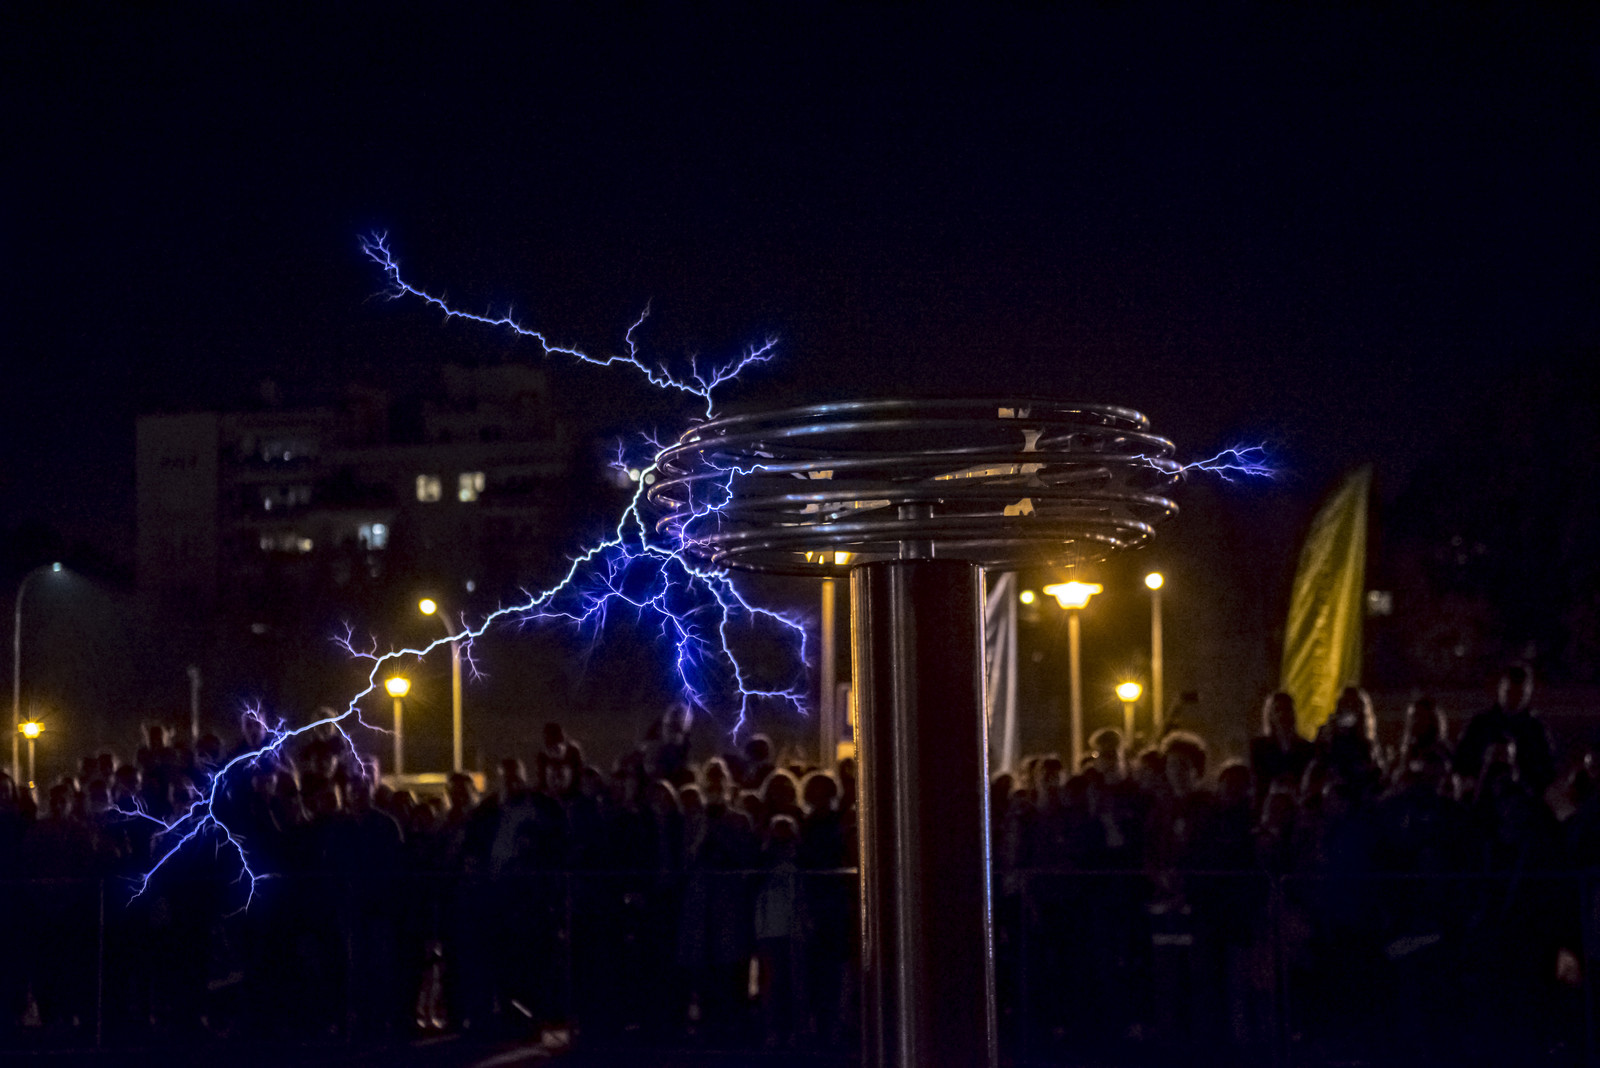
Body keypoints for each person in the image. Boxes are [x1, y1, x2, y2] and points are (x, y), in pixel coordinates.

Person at [1455, 662, 1555, 796]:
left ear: (1528, 693)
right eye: (1510, 692)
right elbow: (1461, 761)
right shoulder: (1480, 724)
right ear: (1500, 689)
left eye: (1519, 693)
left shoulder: (1536, 729)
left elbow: (1546, 770)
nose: (1514, 698)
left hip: (1523, 798)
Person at [1249, 692, 1314, 800]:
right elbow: (1258, 779)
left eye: (1286, 709)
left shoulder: (1306, 747)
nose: (1282, 714)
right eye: (1277, 710)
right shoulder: (1259, 747)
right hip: (1268, 801)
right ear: (1270, 715)